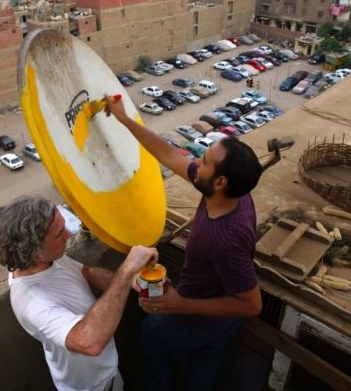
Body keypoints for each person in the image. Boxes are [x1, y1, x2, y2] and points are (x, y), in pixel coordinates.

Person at [106, 97, 263, 390]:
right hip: (215, 318)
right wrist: (125, 120)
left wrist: (182, 305)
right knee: (202, 369)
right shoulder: (233, 194)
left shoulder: (225, 238)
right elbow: (167, 153)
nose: (196, 162)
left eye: (204, 162)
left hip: (192, 318)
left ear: (220, 182)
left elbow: (252, 304)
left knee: (153, 339)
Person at [0, 196, 158, 391]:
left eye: (64, 226)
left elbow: (85, 273)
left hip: (108, 374)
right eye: (59, 234)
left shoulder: (46, 259)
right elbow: (90, 342)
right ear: (34, 251)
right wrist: (128, 269)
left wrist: (133, 282)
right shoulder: (33, 302)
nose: (68, 234)